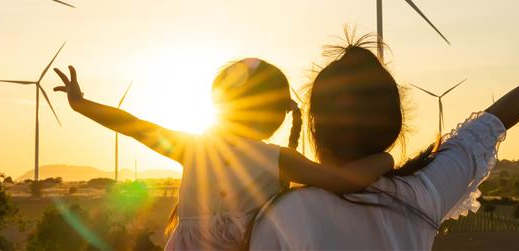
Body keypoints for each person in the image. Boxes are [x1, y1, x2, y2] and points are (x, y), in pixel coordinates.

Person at [249, 22, 519, 250]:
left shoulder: (284, 215)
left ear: (314, 126)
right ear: (393, 127)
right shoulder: (421, 193)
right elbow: (495, 120)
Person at [52, 58, 395, 250]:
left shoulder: (194, 148)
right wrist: (385, 159)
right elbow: (343, 181)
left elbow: (131, 124)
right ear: (275, 115)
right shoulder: (276, 158)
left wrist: (81, 105)